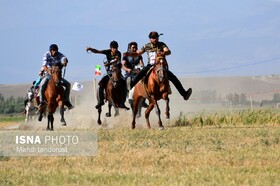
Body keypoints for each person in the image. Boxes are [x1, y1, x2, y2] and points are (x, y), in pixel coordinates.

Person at [124, 31, 192, 101]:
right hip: (150, 65)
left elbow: (168, 51)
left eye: (156, 38)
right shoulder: (146, 46)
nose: (155, 39)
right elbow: (137, 53)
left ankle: (184, 94)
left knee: (173, 78)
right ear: (150, 39)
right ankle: (131, 84)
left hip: (160, 66)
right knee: (141, 72)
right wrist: (129, 54)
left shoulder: (162, 45)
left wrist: (163, 52)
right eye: (153, 38)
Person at [86, 41, 128, 109]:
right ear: (111, 48)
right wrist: (91, 49)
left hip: (117, 72)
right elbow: (97, 51)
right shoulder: (107, 52)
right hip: (109, 72)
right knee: (100, 84)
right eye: (114, 48)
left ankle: (123, 102)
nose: (115, 49)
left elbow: (116, 59)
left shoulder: (118, 53)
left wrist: (108, 64)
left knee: (124, 82)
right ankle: (101, 101)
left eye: (116, 48)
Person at [38, 44, 74, 109]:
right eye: (54, 50)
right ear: (51, 51)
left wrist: (65, 61)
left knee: (68, 84)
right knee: (42, 84)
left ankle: (66, 100)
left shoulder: (59, 54)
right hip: (48, 74)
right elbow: (44, 66)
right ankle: (42, 101)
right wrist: (48, 70)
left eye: (56, 50)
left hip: (57, 75)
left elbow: (64, 58)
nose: (55, 52)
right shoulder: (46, 55)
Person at [122, 41, 148, 108]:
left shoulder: (139, 56)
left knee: (145, 82)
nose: (134, 49)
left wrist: (142, 67)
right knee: (124, 82)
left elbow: (141, 63)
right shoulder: (126, 56)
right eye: (133, 47)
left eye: (136, 47)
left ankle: (143, 101)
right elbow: (123, 65)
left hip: (137, 73)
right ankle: (125, 98)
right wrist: (127, 69)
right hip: (129, 74)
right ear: (129, 48)